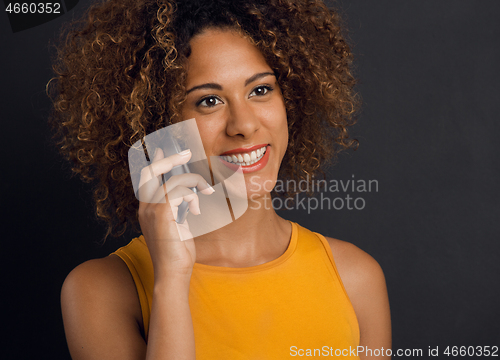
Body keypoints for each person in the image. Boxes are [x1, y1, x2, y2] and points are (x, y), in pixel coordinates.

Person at [48, 0, 391, 358]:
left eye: (260, 90)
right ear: (161, 126)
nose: (244, 125)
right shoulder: (99, 290)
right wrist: (172, 280)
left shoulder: (355, 278)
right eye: (209, 100)